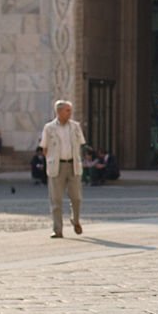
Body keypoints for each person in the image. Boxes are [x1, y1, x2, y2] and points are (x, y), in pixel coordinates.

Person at [39, 100, 87, 238]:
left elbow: (81, 144)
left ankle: (75, 220)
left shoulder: (75, 127)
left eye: (70, 110)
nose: (70, 113)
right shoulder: (49, 128)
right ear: (59, 112)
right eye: (67, 110)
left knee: (76, 197)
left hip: (73, 165)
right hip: (57, 166)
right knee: (56, 199)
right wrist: (52, 160)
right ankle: (57, 229)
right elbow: (45, 148)